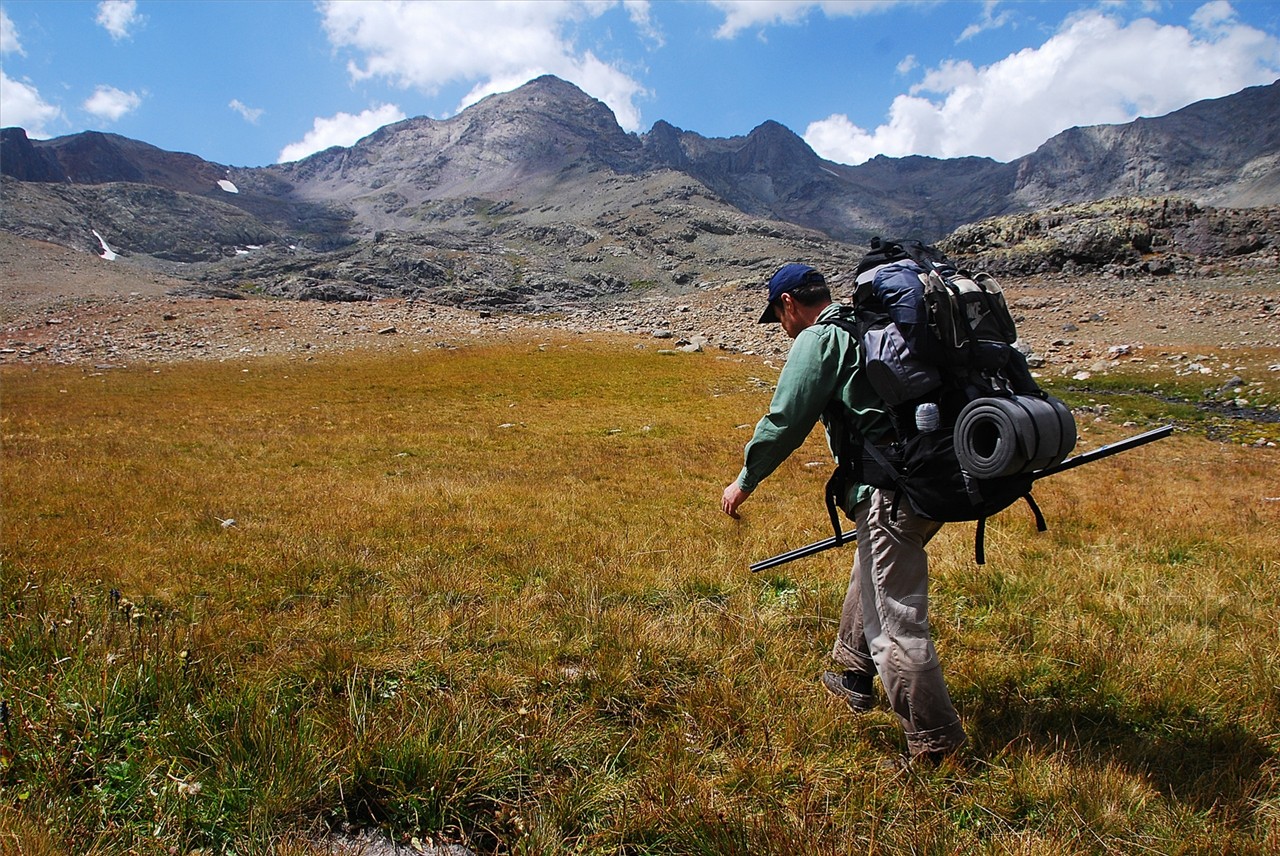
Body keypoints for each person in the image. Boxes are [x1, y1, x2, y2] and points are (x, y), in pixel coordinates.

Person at [720, 262, 966, 764]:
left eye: (778, 317)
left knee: (894, 621)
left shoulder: (820, 339)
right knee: (870, 568)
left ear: (788, 303)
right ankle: (853, 673)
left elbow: (786, 420)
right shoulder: (870, 327)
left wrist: (745, 481)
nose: (783, 328)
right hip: (932, 478)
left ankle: (936, 745)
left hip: (890, 490)